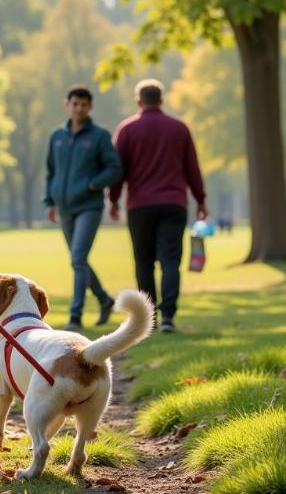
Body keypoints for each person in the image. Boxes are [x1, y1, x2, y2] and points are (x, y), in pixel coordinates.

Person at [109, 79, 207, 333]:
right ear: (161, 100)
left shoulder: (127, 129)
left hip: (140, 205)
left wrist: (113, 199)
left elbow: (118, 170)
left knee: (143, 262)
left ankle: (148, 318)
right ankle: (169, 317)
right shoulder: (179, 129)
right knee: (170, 260)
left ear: (139, 100)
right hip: (174, 203)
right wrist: (201, 199)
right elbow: (192, 168)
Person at [44, 85, 123, 331]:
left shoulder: (99, 136)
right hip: (64, 207)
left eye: (84, 104)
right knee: (79, 260)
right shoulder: (57, 136)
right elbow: (51, 172)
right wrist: (49, 201)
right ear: (66, 104)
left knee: (78, 258)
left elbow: (114, 168)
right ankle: (104, 299)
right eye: (75, 103)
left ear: (90, 107)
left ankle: (75, 316)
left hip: (89, 205)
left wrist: (93, 184)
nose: (79, 108)